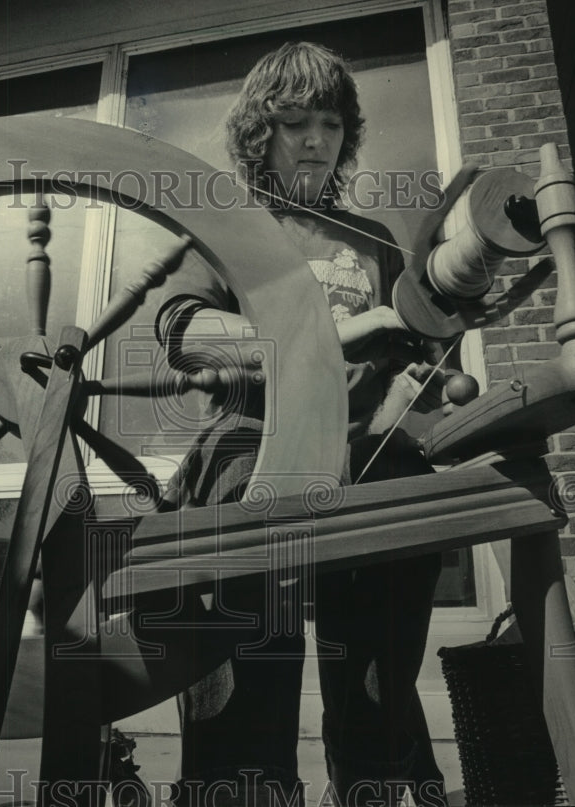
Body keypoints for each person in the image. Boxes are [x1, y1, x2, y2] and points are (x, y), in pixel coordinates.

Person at [153, 42, 448, 807]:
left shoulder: (376, 241)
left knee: (411, 494)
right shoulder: (230, 226)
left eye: (329, 122)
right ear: (261, 134)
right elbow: (185, 335)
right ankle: (243, 782)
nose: (316, 139)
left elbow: (399, 367)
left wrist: (414, 383)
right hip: (254, 434)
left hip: (361, 445)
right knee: (244, 519)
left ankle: (370, 773)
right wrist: (326, 337)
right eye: (294, 124)